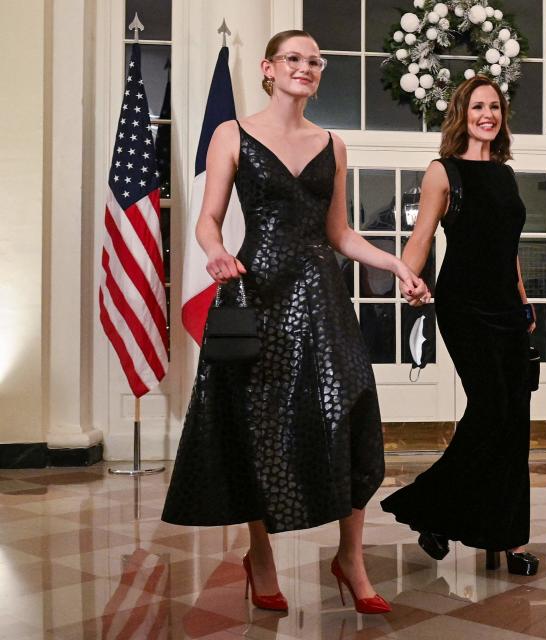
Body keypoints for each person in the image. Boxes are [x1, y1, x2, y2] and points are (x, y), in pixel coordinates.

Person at [161, 30, 427, 614]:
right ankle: (260, 555)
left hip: (323, 294)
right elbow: (208, 219)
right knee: (257, 423)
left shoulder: (333, 144)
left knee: (349, 406)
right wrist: (213, 252)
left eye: (315, 60)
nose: (306, 67)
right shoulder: (232, 133)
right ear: (269, 68)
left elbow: (340, 234)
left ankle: (350, 558)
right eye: (294, 59)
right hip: (255, 292)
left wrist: (399, 265)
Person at [380, 75, 539, 576]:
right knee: (493, 410)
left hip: (508, 309)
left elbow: (507, 246)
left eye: (494, 107)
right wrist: (408, 276)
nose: (486, 114)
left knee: (514, 420)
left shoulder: (506, 174)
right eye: (477, 107)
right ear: (461, 114)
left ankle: (508, 538)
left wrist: (522, 298)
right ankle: (432, 509)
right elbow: (422, 236)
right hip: (465, 307)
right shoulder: (442, 171)